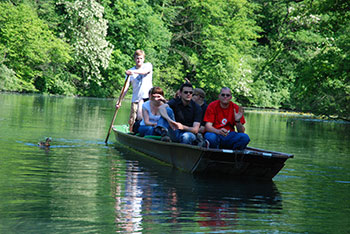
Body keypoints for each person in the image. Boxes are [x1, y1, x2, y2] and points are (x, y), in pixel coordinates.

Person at [116, 49, 153, 132]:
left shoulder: (148, 66)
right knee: (132, 121)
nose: (139, 60)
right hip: (136, 99)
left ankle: (145, 133)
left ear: (143, 59)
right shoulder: (130, 71)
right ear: (134, 59)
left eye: (140, 58)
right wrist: (119, 101)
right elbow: (125, 88)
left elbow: (144, 72)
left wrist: (133, 72)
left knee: (144, 119)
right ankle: (132, 134)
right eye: (137, 58)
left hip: (148, 98)